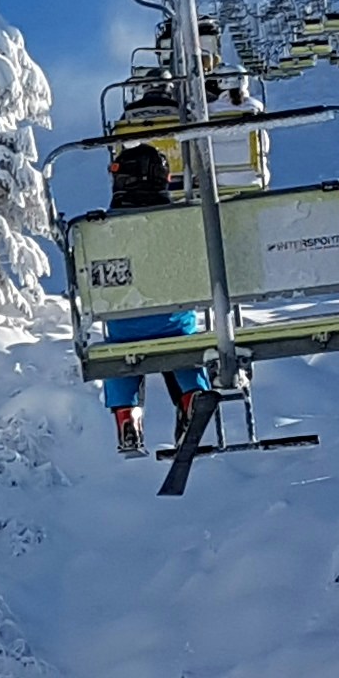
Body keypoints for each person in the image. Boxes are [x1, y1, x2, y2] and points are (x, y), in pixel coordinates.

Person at [97, 104, 209, 457]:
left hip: (125, 327)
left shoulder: (99, 231)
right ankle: (191, 397)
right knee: (181, 340)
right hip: (174, 323)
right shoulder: (179, 224)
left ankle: (127, 415)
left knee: (122, 350)